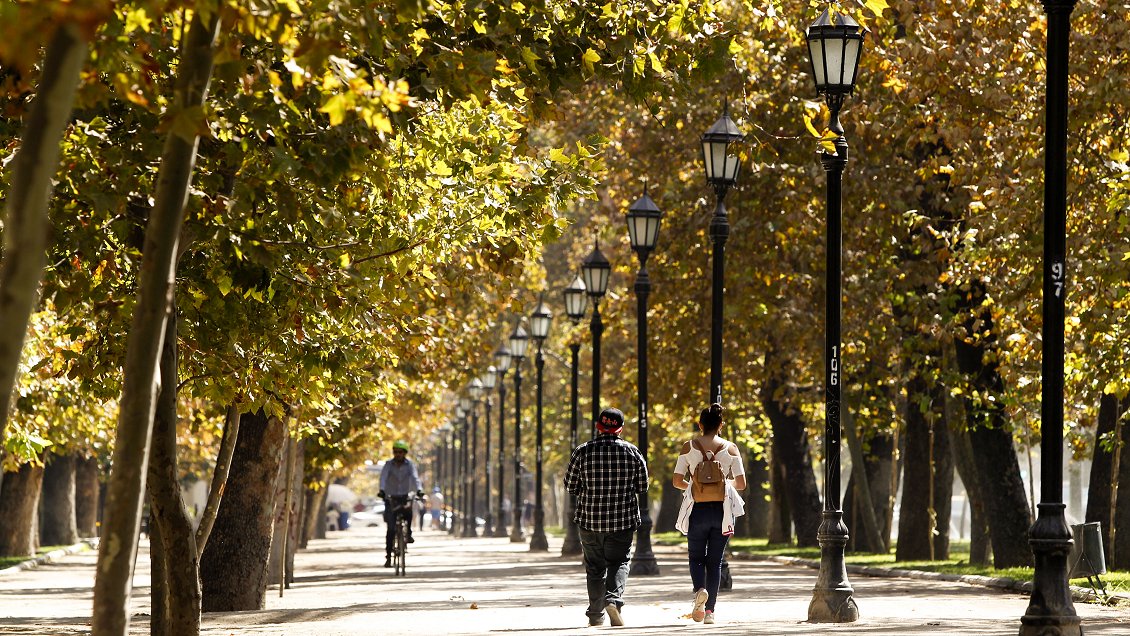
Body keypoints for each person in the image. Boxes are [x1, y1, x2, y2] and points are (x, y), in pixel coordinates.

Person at [563, 407, 649, 627]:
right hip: (622, 520)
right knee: (619, 562)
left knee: (594, 567)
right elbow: (642, 486)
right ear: (620, 429)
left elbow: (570, 486)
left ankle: (595, 614)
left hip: (590, 520)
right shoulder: (632, 452)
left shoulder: (582, 451)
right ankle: (613, 600)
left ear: (598, 426)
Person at [672, 403, 747, 625]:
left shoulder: (688, 447)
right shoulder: (731, 448)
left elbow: (677, 480)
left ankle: (700, 590)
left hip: (697, 510)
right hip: (723, 512)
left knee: (696, 557)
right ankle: (710, 612)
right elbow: (741, 483)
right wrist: (723, 485)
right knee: (715, 562)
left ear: (700, 424)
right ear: (721, 425)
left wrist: (695, 487)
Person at [379, 439, 424, 568]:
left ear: (404, 453)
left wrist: (419, 490)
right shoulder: (388, 464)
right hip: (391, 498)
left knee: (408, 512)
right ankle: (388, 556)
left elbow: (415, 478)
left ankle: (408, 533)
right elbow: (383, 477)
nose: (398, 454)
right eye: (396, 452)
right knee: (391, 529)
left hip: (404, 496)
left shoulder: (410, 465)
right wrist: (382, 490)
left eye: (400, 452)